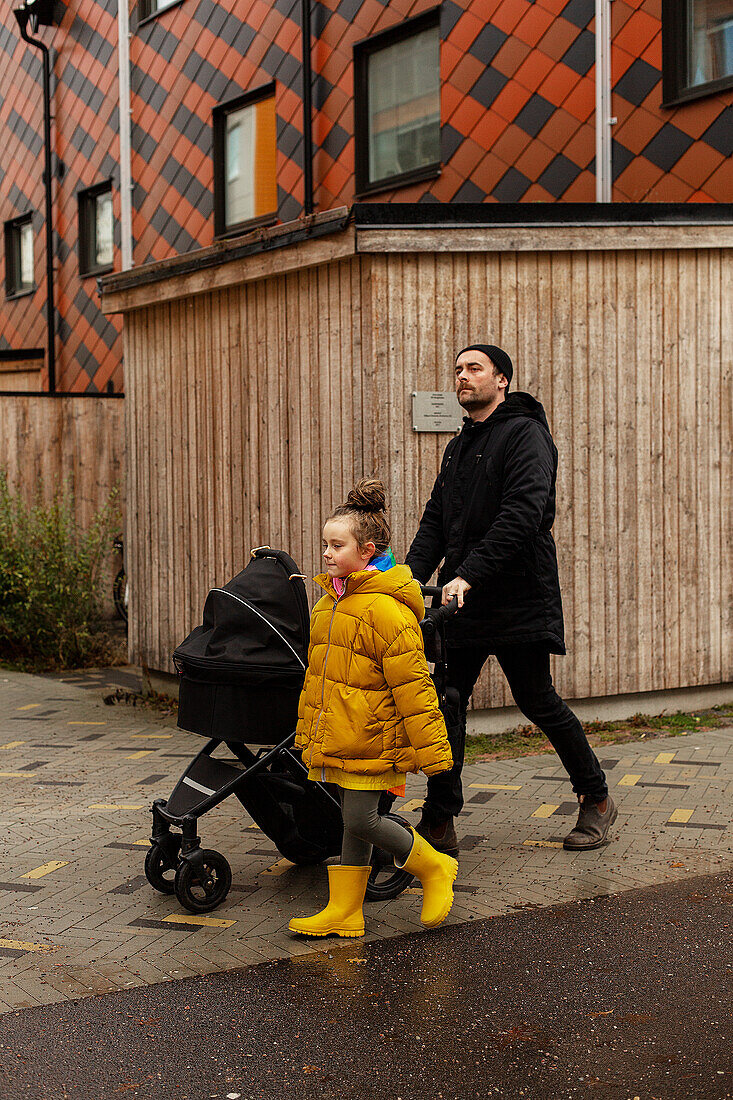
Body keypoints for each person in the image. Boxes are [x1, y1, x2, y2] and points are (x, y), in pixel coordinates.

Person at [406, 344, 617, 855]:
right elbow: (436, 520)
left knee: (535, 698)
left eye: (473, 368)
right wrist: (406, 580)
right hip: (463, 598)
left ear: (502, 380)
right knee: (447, 701)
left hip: (518, 592)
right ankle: (439, 818)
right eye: (457, 370)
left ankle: (597, 797)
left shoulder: (526, 434)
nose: (462, 377)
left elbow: (522, 515)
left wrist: (468, 574)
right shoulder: (458, 446)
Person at [289, 478, 458, 938]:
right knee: (352, 821)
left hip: (375, 734)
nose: (326, 553)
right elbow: (318, 679)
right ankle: (345, 910)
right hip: (343, 733)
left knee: (360, 818)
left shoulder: (385, 610)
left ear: (367, 550)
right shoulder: (329, 604)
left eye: (336, 545)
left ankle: (433, 866)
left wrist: (433, 751)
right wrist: (310, 732)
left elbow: (413, 685)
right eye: (324, 543)